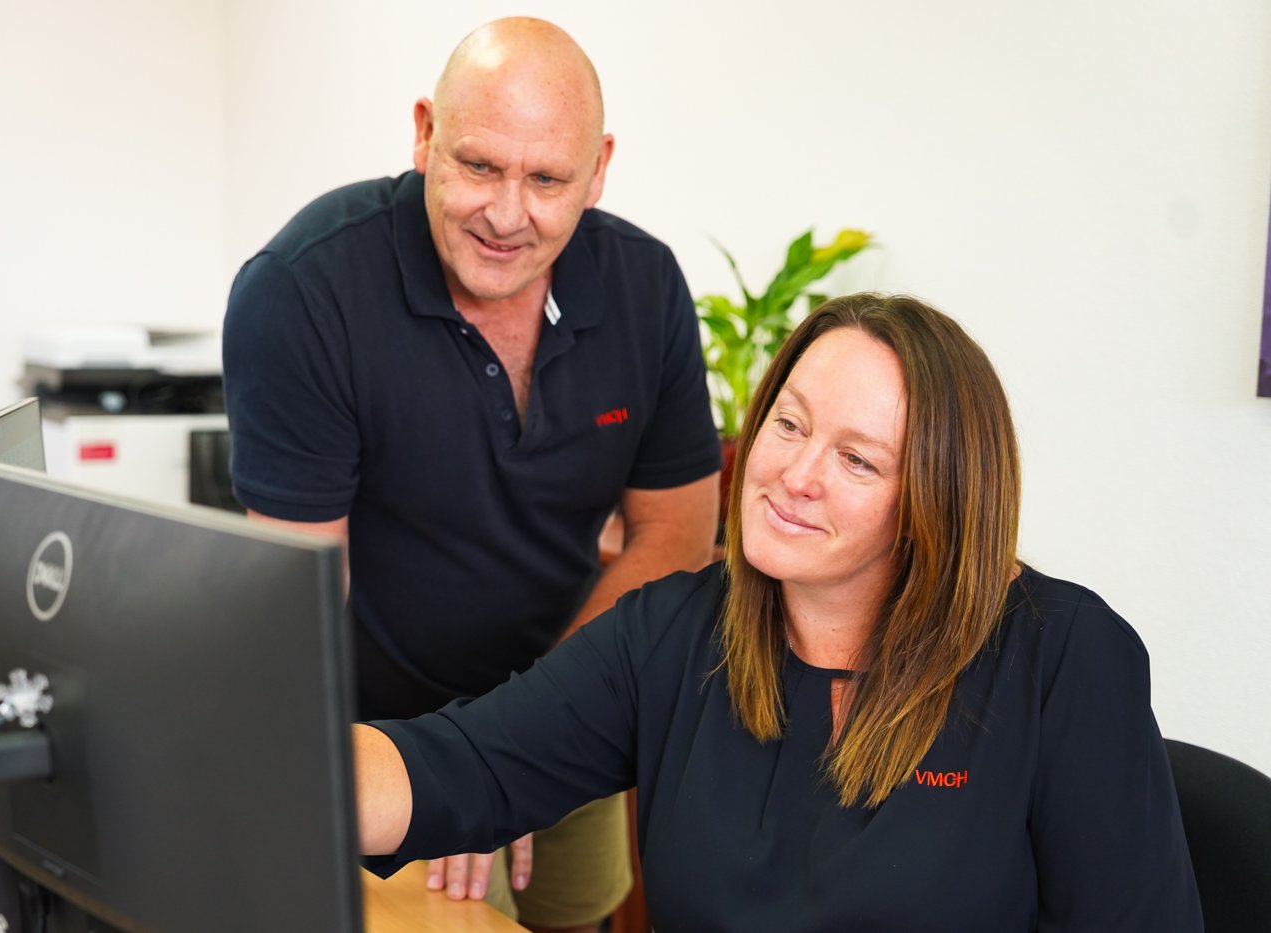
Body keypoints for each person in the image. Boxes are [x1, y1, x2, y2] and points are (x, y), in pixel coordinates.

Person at [353, 293, 1204, 931]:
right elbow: (456, 767)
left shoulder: (1063, 657)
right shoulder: (676, 634)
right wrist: (250, 753)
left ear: (936, 503)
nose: (796, 474)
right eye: (788, 424)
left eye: (858, 461)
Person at [221, 17, 721, 932]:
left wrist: (523, 741)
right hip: (384, 743)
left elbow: (676, 535)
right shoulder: (306, 290)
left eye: (546, 179)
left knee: (580, 913)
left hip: (578, 697)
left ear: (599, 168)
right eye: (479, 166)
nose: (506, 213)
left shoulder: (644, 289)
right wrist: (455, 770)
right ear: (423, 133)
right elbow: (299, 598)